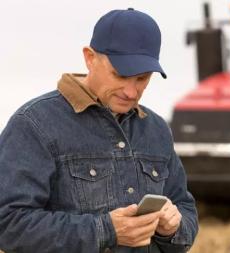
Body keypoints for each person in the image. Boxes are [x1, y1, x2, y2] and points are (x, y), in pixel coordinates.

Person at [0, 8, 198, 253]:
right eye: (121, 75)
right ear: (90, 57)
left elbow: (186, 210)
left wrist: (174, 228)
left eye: (143, 78)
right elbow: (8, 225)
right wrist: (105, 230)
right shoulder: (33, 125)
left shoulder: (156, 129)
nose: (131, 92)